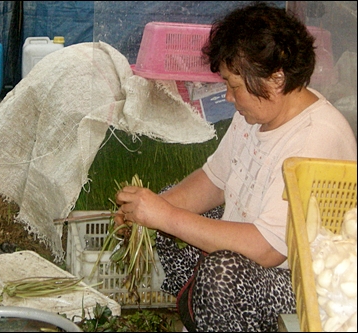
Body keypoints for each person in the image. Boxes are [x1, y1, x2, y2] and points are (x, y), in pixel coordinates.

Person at [114, 2, 357, 332]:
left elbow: (267, 249)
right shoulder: (260, 113)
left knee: (221, 272)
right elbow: (214, 180)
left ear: (275, 78)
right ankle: (203, 319)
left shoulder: (315, 139)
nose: (228, 97)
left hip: (306, 287)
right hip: (261, 256)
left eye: (234, 85)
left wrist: (167, 215)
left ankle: (212, 316)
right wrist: (151, 209)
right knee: (173, 220)